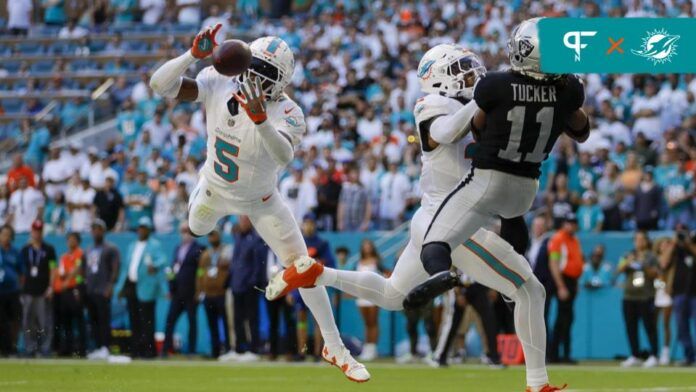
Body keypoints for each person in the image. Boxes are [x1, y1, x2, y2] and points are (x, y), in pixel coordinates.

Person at [268, 42, 565, 391]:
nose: (473, 75)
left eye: (471, 67)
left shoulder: (478, 105)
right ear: (437, 79)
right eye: (461, 70)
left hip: (434, 217)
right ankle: (538, 384)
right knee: (530, 289)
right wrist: (483, 100)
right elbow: (444, 132)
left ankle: (319, 273)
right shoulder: (434, 104)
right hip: (453, 222)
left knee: (393, 296)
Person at [149, 26, 368, 380]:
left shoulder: (289, 111)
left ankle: (336, 348)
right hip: (215, 190)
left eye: (267, 73)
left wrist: (261, 121)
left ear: (282, 82)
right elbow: (160, 86)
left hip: (262, 200)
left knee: (304, 266)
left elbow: (283, 154)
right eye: (253, 66)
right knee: (196, 228)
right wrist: (193, 55)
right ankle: (198, 197)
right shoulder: (218, 80)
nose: (256, 77)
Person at [114, 217, 167, 358]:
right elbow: (126, 268)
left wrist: (154, 266)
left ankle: (149, 351)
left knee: (147, 320)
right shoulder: (132, 246)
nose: (141, 230)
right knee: (134, 319)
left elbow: (162, 260)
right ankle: (136, 350)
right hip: (132, 285)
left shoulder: (155, 245)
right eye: (140, 227)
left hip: (147, 285)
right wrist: (120, 287)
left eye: (144, 228)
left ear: (149, 230)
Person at [617, 231, 659, 368]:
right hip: (629, 296)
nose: (639, 242)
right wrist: (629, 262)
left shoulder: (651, 256)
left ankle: (654, 355)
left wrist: (643, 264)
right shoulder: (628, 254)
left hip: (645, 296)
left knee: (649, 327)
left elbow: (655, 274)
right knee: (631, 327)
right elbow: (618, 270)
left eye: (641, 239)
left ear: (646, 241)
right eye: (636, 239)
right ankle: (635, 355)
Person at [163, 222, 204, 356]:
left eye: (187, 230)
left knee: (192, 322)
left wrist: (199, 290)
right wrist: (170, 287)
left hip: (191, 292)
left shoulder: (199, 248)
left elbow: (200, 271)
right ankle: (166, 349)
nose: (184, 233)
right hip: (177, 292)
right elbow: (172, 270)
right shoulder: (177, 249)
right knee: (170, 320)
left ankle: (192, 350)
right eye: (182, 230)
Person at [548, 214, 584, 364]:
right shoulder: (558, 239)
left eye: (574, 223)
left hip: (572, 281)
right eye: (569, 223)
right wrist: (561, 286)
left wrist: (576, 283)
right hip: (563, 280)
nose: (572, 225)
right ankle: (556, 354)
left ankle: (563, 354)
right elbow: (554, 263)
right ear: (564, 224)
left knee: (567, 319)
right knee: (562, 319)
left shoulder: (574, 240)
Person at [229, 216, 266, 359]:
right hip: (237, 285)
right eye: (241, 220)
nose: (242, 223)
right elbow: (235, 262)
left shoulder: (255, 239)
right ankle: (239, 348)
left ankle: (254, 349)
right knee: (237, 318)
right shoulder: (238, 238)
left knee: (252, 318)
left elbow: (257, 264)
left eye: (245, 220)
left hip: (249, 286)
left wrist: (253, 282)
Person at [19, 220, 56, 357]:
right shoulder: (25, 249)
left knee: (44, 322)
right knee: (28, 322)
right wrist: (21, 290)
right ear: (31, 231)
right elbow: (21, 272)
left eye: (39, 230)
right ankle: (30, 348)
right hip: (28, 290)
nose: (37, 233)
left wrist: (51, 287)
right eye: (35, 230)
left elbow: (53, 269)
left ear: (42, 232)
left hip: (43, 291)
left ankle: (45, 349)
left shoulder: (49, 249)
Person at [84, 219, 120, 360]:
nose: (95, 231)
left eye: (98, 228)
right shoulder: (88, 249)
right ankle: (98, 347)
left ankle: (105, 347)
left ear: (103, 231)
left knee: (104, 320)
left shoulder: (111, 248)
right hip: (91, 289)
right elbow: (84, 270)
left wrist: (110, 286)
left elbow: (115, 269)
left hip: (103, 289)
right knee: (93, 321)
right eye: (93, 229)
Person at [660, 227, 696, 365]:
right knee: (682, 327)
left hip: (694, 293)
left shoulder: (691, 248)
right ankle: (689, 356)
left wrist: (689, 243)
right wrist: (674, 243)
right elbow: (663, 262)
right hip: (679, 293)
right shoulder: (677, 251)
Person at [196, 228, 232, 359]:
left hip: (222, 292)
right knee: (212, 325)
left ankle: (229, 349)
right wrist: (199, 290)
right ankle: (215, 350)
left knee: (226, 323)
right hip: (208, 294)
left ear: (219, 236)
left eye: (214, 235)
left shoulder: (227, 251)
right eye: (210, 236)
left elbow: (231, 266)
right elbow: (199, 273)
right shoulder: (205, 254)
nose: (212, 238)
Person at [53, 232, 86, 357]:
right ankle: (67, 348)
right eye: (69, 239)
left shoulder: (81, 254)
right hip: (65, 291)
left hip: (76, 289)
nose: (71, 242)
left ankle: (81, 349)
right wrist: (67, 277)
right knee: (66, 321)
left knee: (79, 320)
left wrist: (68, 278)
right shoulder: (64, 257)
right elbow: (61, 273)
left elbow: (78, 271)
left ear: (78, 241)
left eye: (73, 239)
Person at [355, 239, 386, 361]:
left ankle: (373, 348)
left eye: (369, 246)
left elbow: (386, 274)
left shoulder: (377, 262)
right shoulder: (359, 262)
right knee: (367, 323)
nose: (367, 248)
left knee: (373, 322)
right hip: (361, 297)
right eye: (365, 246)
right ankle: (367, 348)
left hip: (373, 296)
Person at [0, 225, 22, 357]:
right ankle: (3, 348)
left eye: (8, 234)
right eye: (3, 234)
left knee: (14, 320)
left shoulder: (15, 252)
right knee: (1, 321)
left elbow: (21, 272)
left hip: (13, 291)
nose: (6, 237)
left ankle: (12, 347)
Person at [654, 237, 674, 365]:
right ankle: (653, 352)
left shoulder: (672, 261)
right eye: (663, 244)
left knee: (666, 324)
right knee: (653, 324)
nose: (665, 247)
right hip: (656, 292)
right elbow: (656, 278)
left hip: (666, 293)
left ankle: (665, 352)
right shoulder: (654, 259)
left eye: (668, 244)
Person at [337, 165, 371, 232]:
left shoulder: (363, 189)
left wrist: (366, 222)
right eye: (352, 173)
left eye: (356, 173)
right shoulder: (345, 188)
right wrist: (340, 221)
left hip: (359, 223)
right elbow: (341, 205)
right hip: (346, 222)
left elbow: (368, 206)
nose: (354, 175)